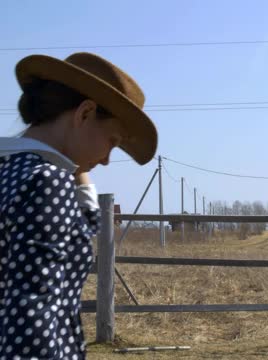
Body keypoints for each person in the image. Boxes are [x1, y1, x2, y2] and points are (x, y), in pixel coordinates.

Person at [0, 52, 158, 359]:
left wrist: (74, 161)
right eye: (112, 141)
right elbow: (33, 310)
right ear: (84, 114)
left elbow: (75, 231)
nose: (107, 159)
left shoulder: (13, 171)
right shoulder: (47, 181)